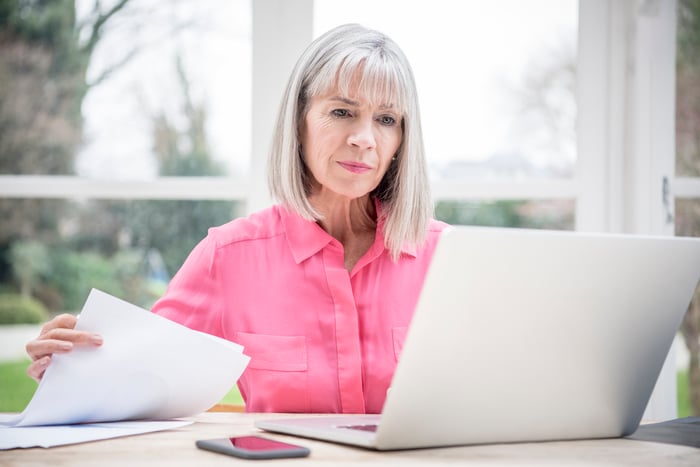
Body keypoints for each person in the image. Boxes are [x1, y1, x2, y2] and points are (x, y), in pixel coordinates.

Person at [24, 23, 448, 414]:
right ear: (298, 122)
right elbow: (133, 375)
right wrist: (69, 361)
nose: (364, 138)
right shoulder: (228, 255)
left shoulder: (449, 259)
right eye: (342, 112)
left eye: (387, 120)